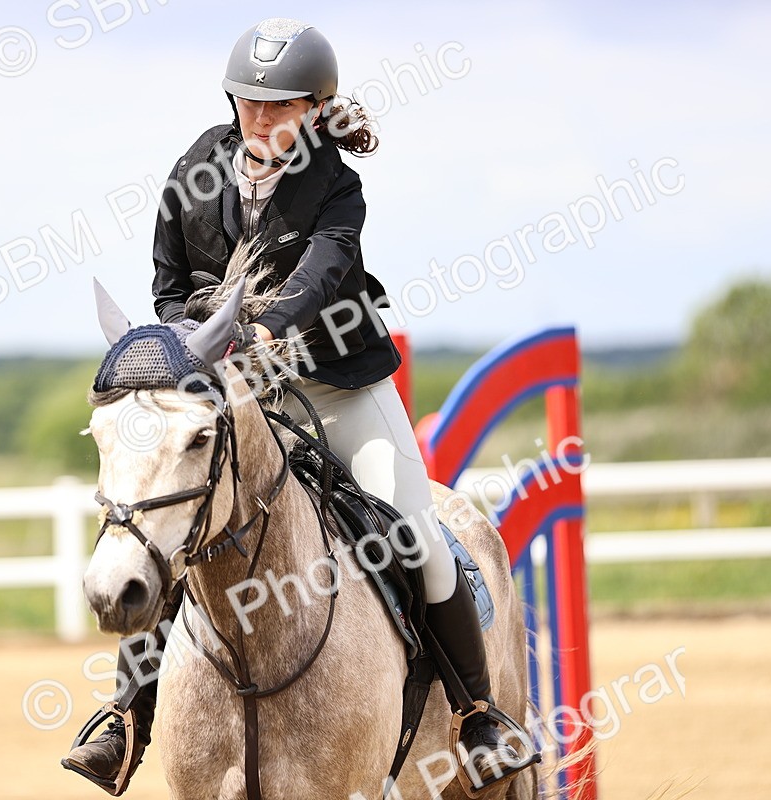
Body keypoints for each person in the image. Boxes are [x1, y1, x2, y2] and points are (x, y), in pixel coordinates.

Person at [63, 17, 519, 793]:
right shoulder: (196, 170)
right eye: (249, 103)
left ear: (315, 110)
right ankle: (125, 716)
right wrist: (192, 347)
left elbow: (318, 279)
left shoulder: (336, 187)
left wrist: (264, 329)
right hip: (238, 390)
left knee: (414, 531)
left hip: (339, 386)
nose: (261, 120)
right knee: (175, 534)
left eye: (280, 107)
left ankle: (477, 716)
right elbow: (169, 284)